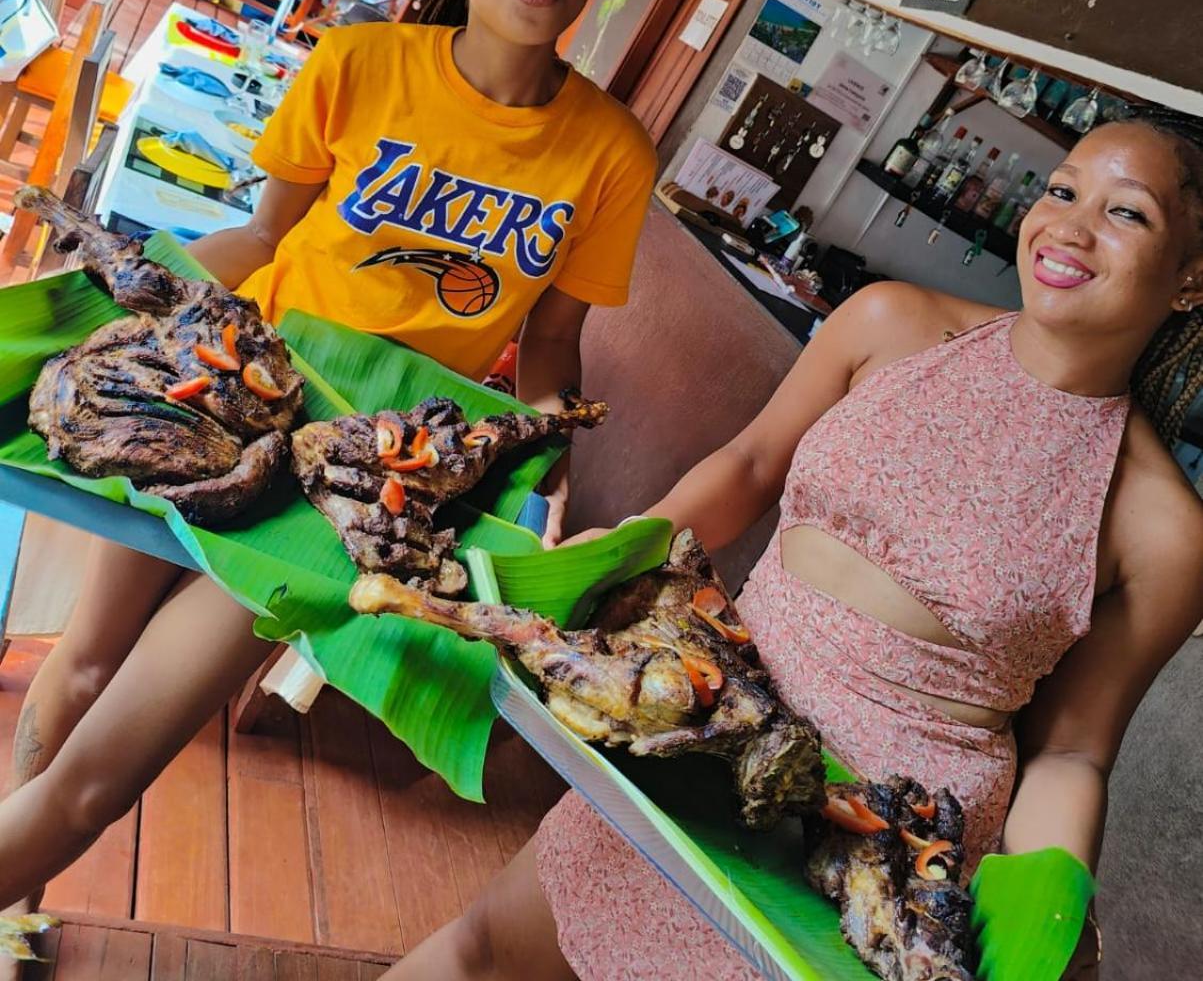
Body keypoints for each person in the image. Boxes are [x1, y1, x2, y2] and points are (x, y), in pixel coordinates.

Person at [0, 0, 657, 952]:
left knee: (116, 761)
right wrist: (86, 305)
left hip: (359, 483)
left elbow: (553, 341)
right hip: (232, 399)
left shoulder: (609, 151)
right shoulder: (363, 64)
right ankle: (14, 908)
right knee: (90, 656)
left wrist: (547, 469)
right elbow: (262, 234)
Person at [380, 113, 1203, 981]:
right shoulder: (891, 321)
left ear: (1190, 277)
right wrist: (638, 536)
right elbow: (749, 462)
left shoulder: (1165, 529)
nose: (1069, 227)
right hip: (712, 721)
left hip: (873, 835)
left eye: (1127, 213)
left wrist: (1049, 901)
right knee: (483, 951)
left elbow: (1072, 748)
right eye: (1063, 190)